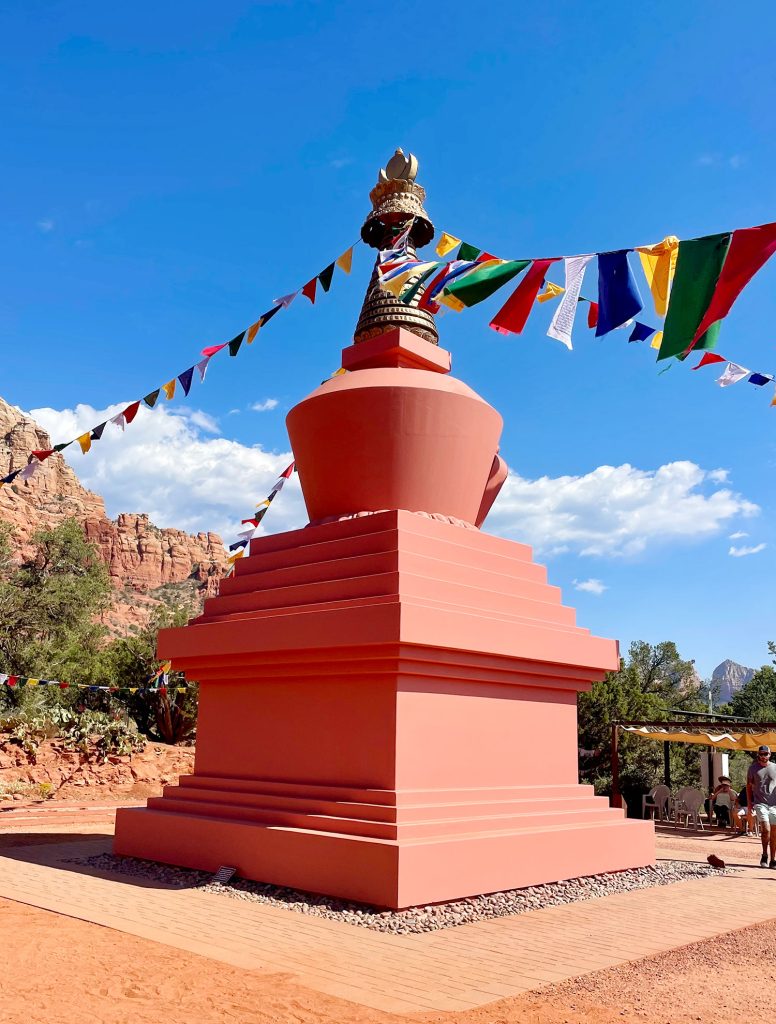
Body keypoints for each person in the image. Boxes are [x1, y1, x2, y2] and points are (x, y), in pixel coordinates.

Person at [747, 745, 776, 868]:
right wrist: (749, 804)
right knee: (766, 829)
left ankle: (773, 859)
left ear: (770, 755)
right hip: (760, 803)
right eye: (761, 754)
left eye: (766, 754)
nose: (763, 756)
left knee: (774, 833)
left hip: (774, 804)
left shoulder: (775, 767)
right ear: (758, 754)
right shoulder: (753, 769)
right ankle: (764, 854)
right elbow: (748, 787)